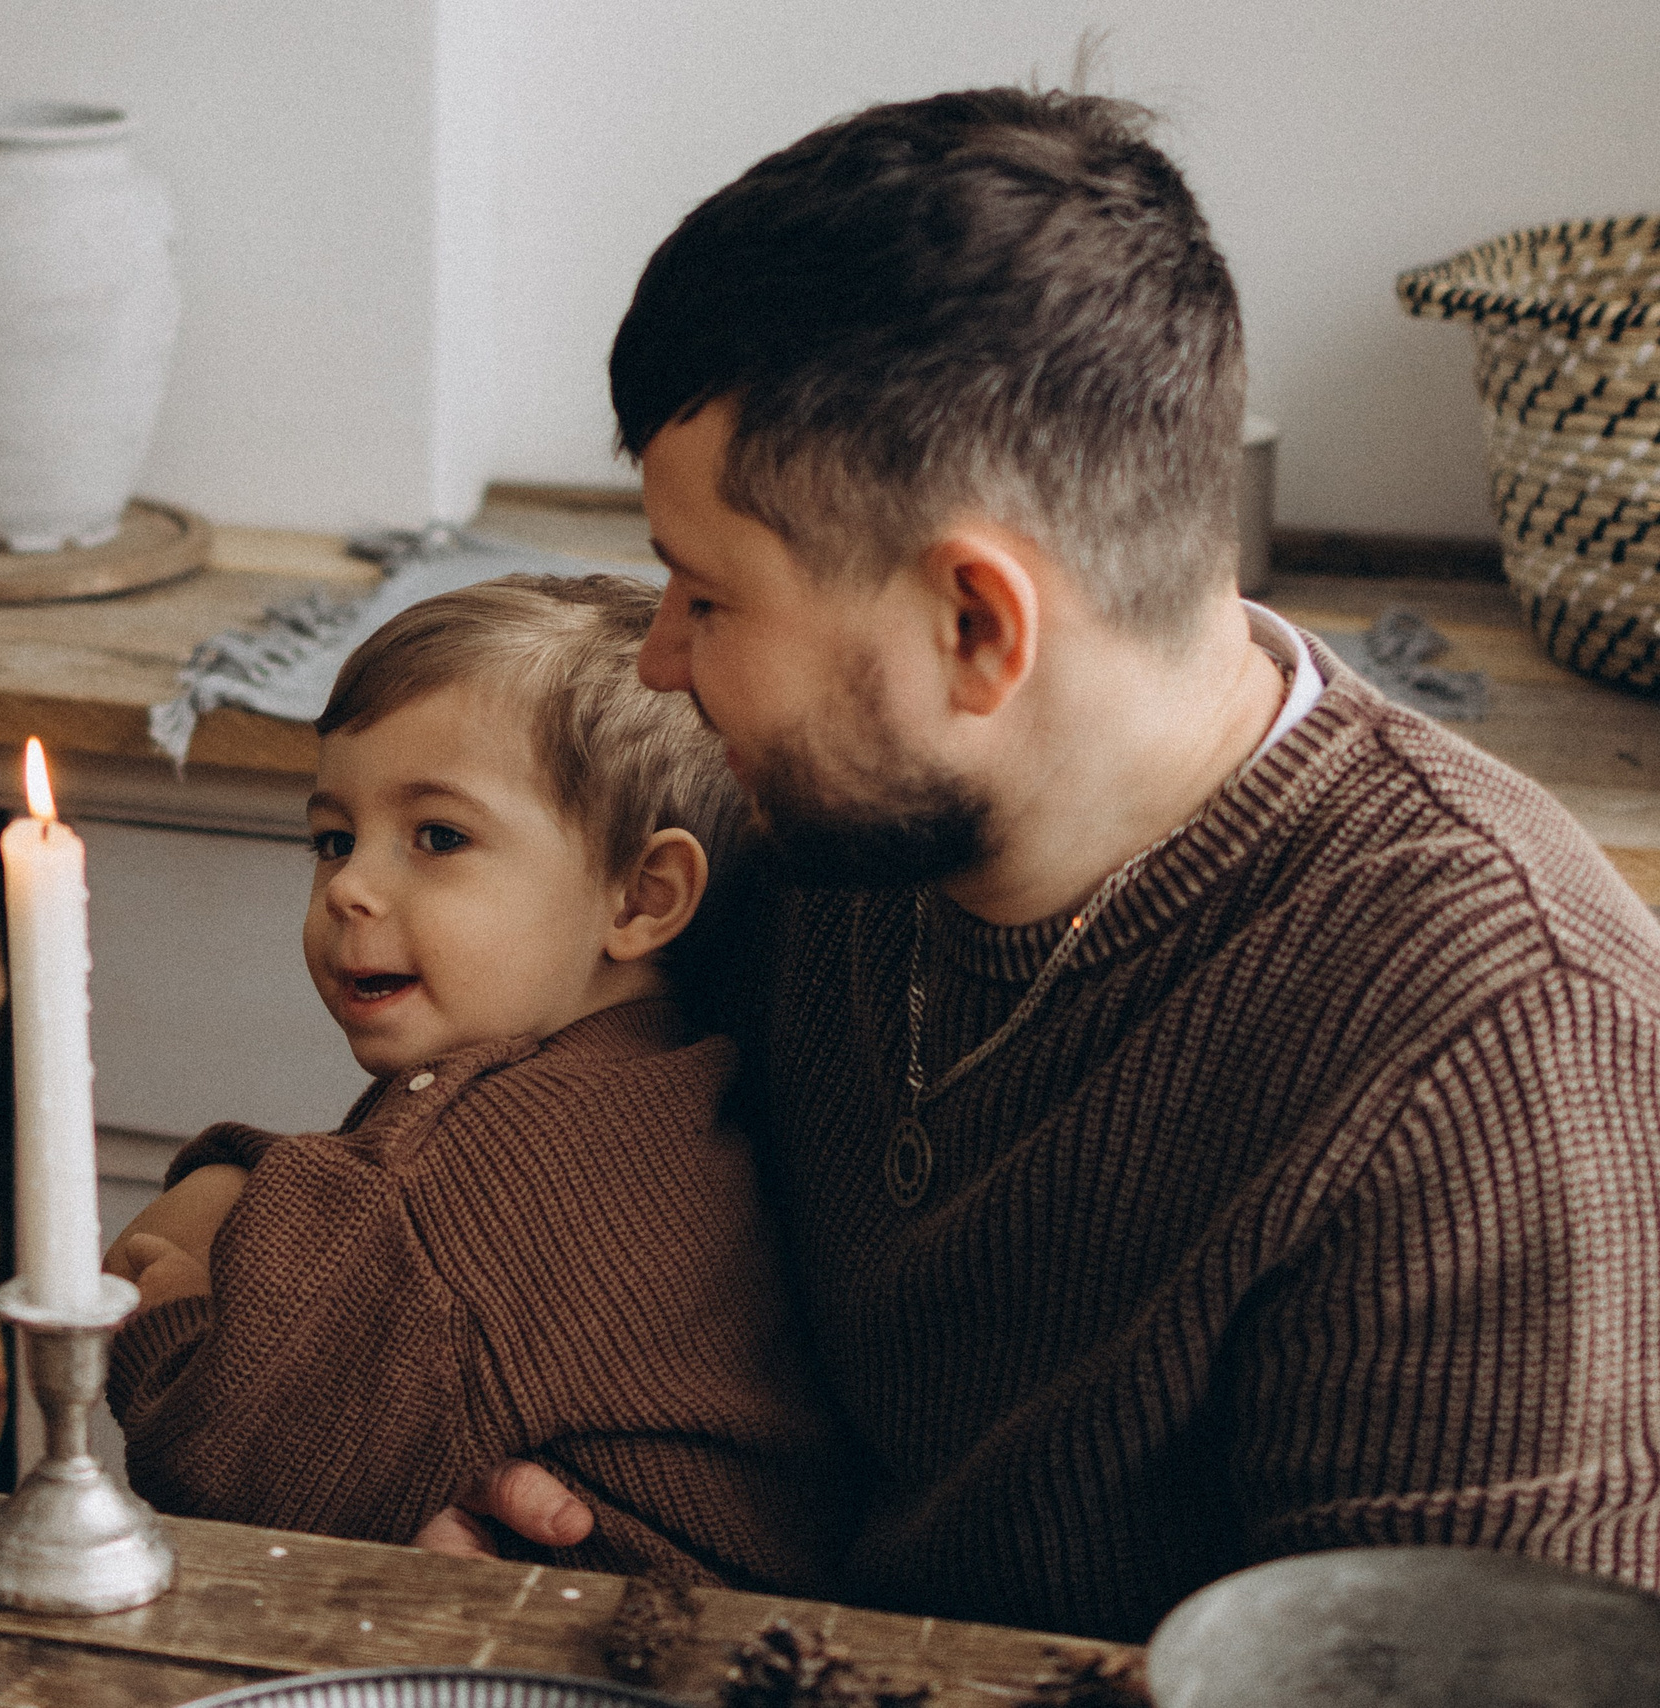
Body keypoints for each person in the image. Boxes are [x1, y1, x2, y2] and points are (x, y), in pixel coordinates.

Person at [424, 88, 1660, 1640]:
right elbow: (515, 1120)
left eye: (707, 596)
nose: (660, 659)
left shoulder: (1494, 1059)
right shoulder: (829, 814)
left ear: (978, 628)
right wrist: (257, 1229)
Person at [103, 575, 844, 1588]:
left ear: (640, 894)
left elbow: (226, 1460)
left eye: (437, 837)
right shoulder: (656, 1074)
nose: (351, 886)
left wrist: (170, 1306)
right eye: (333, 838)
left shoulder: (484, 1160)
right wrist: (234, 1181)